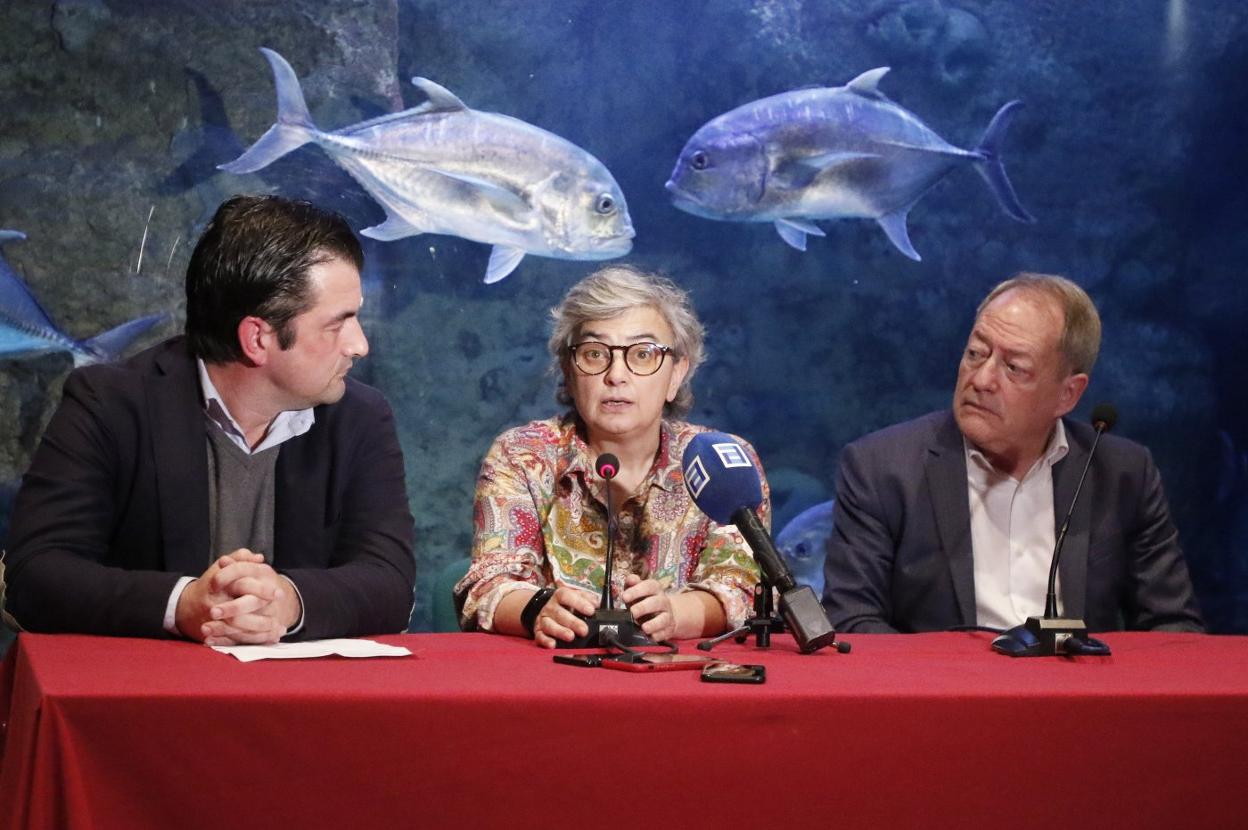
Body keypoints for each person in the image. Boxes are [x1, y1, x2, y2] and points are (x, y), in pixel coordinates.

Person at [3, 195, 415, 644]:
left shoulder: (360, 417)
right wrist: (182, 605)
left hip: (300, 702)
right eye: (339, 324)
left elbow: (390, 583)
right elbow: (36, 575)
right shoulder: (110, 404)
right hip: (144, 700)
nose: (359, 345)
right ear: (257, 338)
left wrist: (288, 601)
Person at [823, 273, 1203, 634]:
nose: (982, 380)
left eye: (1014, 368)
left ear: (1067, 394)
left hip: (1079, 695)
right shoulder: (883, 468)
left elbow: (1173, 628)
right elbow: (853, 621)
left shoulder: (1122, 474)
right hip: (948, 695)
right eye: (975, 353)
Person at [457, 265, 764, 646]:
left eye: (643, 354)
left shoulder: (723, 461)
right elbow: (488, 583)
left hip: (678, 684)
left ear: (676, 374)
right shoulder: (523, 455)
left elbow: (742, 587)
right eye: (594, 353)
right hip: (553, 681)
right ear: (569, 372)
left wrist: (674, 614)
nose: (616, 374)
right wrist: (538, 608)